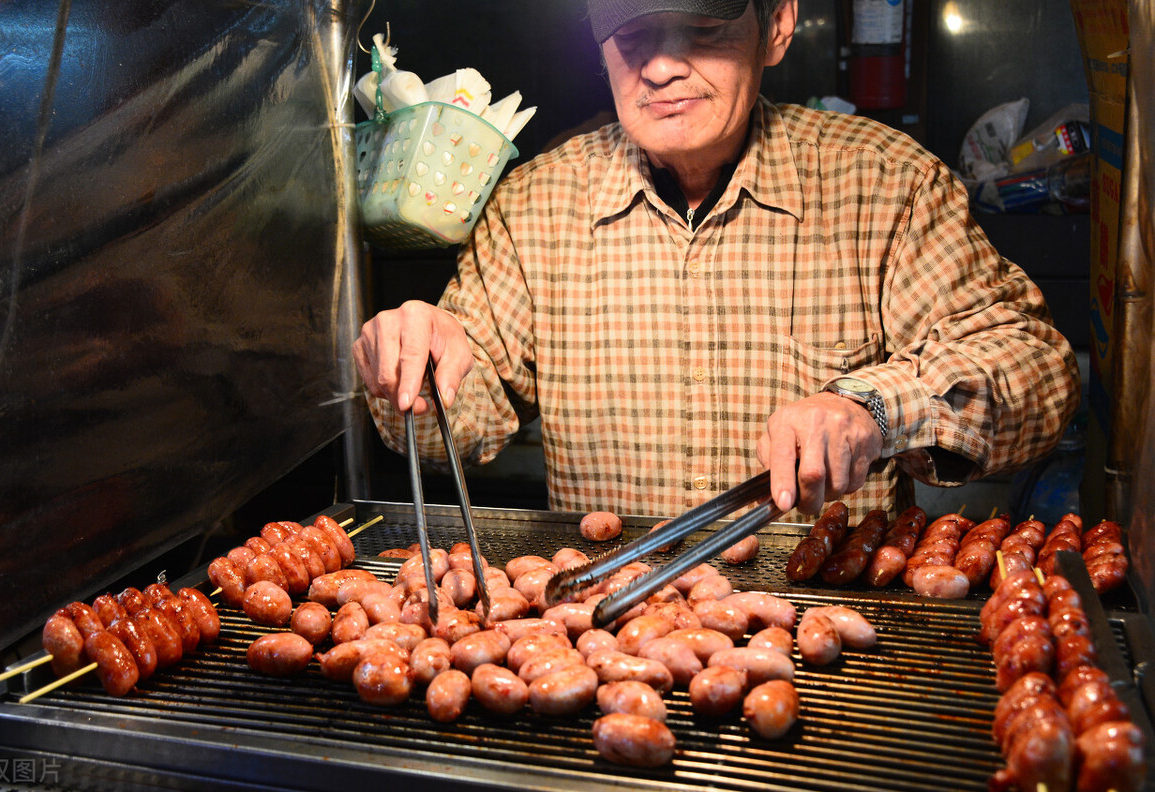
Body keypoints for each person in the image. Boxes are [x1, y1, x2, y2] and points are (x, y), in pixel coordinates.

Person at [353, 0, 1079, 523]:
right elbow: (466, 418)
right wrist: (415, 368)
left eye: (702, 28)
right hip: (608, 633)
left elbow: (1036, 369)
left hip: (820, 638)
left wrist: (877, 411)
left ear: (779, 24)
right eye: (632, 35)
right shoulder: (534, 206)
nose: (663, 65)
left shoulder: (886, 185)